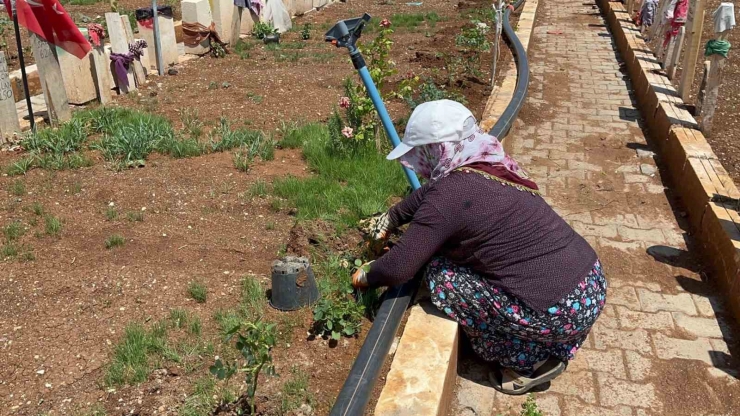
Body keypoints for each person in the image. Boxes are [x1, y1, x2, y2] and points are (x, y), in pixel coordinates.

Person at [351, 100, 607, 395]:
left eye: (420, 154)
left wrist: (365, 275)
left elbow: (399, 267)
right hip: (590, 284)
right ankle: (551, 339)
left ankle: (529, 362)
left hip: (558, 311)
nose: (419, 164)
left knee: (440, 274)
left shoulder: (450, 195)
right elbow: (433, 193)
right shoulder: (488, 162)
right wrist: (392, 217)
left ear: (436, 149)